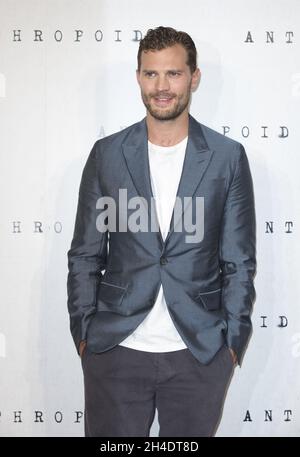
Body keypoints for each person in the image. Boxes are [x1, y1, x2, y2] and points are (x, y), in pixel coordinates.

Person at [67, 26, 256, 437]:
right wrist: (85, 333)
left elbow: (239, 261)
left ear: (194, 77)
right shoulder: (107, 155)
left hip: (198, 352)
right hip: (116, 351)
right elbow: (85, 253)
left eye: (173, 73)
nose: (162, 87)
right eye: (151, 74)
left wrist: (231, 342)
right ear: (138, 77)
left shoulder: (227, 158)